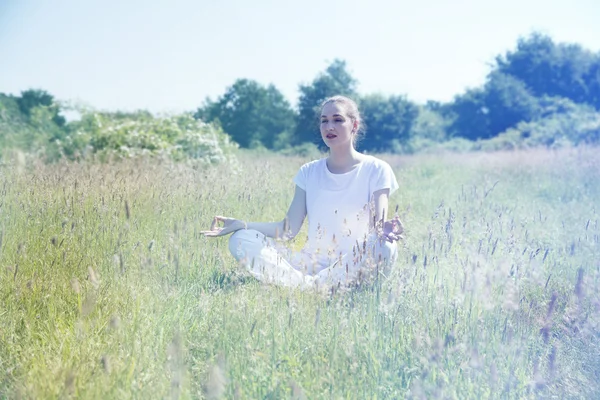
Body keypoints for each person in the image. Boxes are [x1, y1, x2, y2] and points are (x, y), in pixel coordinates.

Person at [201, 95, 403, 291]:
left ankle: (304, 287)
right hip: (309, 264)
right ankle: (312, 286)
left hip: (352, 262)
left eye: (338, 120)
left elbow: (378, 225)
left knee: (385, 245)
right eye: (324, 121)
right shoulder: (309, 171)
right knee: (240, 239)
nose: (329, 127)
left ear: (354, 125)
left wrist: (386, 230)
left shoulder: (377, 169)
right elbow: (287, 229)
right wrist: (241, 225)